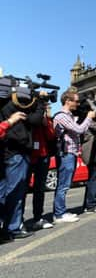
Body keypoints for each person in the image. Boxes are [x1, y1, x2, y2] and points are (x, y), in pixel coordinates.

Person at [0, 92, 45, 239]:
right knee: (15, 192)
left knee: (6, 191)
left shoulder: (6, 107)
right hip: (16, 154)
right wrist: (38, 102)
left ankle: (7, 226)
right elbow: (36, 120)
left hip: (9, 154)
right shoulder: (12, 109)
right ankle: (12, 227)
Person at [52, 89, 95, 223]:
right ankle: (59, 214)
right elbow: (79, 130)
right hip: (66, 153)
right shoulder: (62, 116)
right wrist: (88, 117)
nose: (78, 104)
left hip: (71, 152)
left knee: (65, 183)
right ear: (67, 101)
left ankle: (61, 211)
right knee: (63, 184)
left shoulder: (69, 115)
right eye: (76, 101)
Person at [26, 103, 56, 230]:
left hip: (42, 155)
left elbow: (51, 135)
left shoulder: (45, 119)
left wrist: (46, 124)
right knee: (21, 190)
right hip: (27, 155)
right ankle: (17, 221)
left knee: (40, 189)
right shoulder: (26, 114)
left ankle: (38, 217)